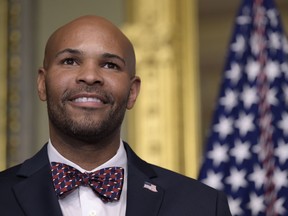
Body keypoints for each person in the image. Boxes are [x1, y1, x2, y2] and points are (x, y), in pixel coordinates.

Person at [0, 15, 231, 216]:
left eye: (110, 65)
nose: (90, 76)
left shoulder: (204, 206)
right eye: (70, 61)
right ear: (42, 83)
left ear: (132, 92)